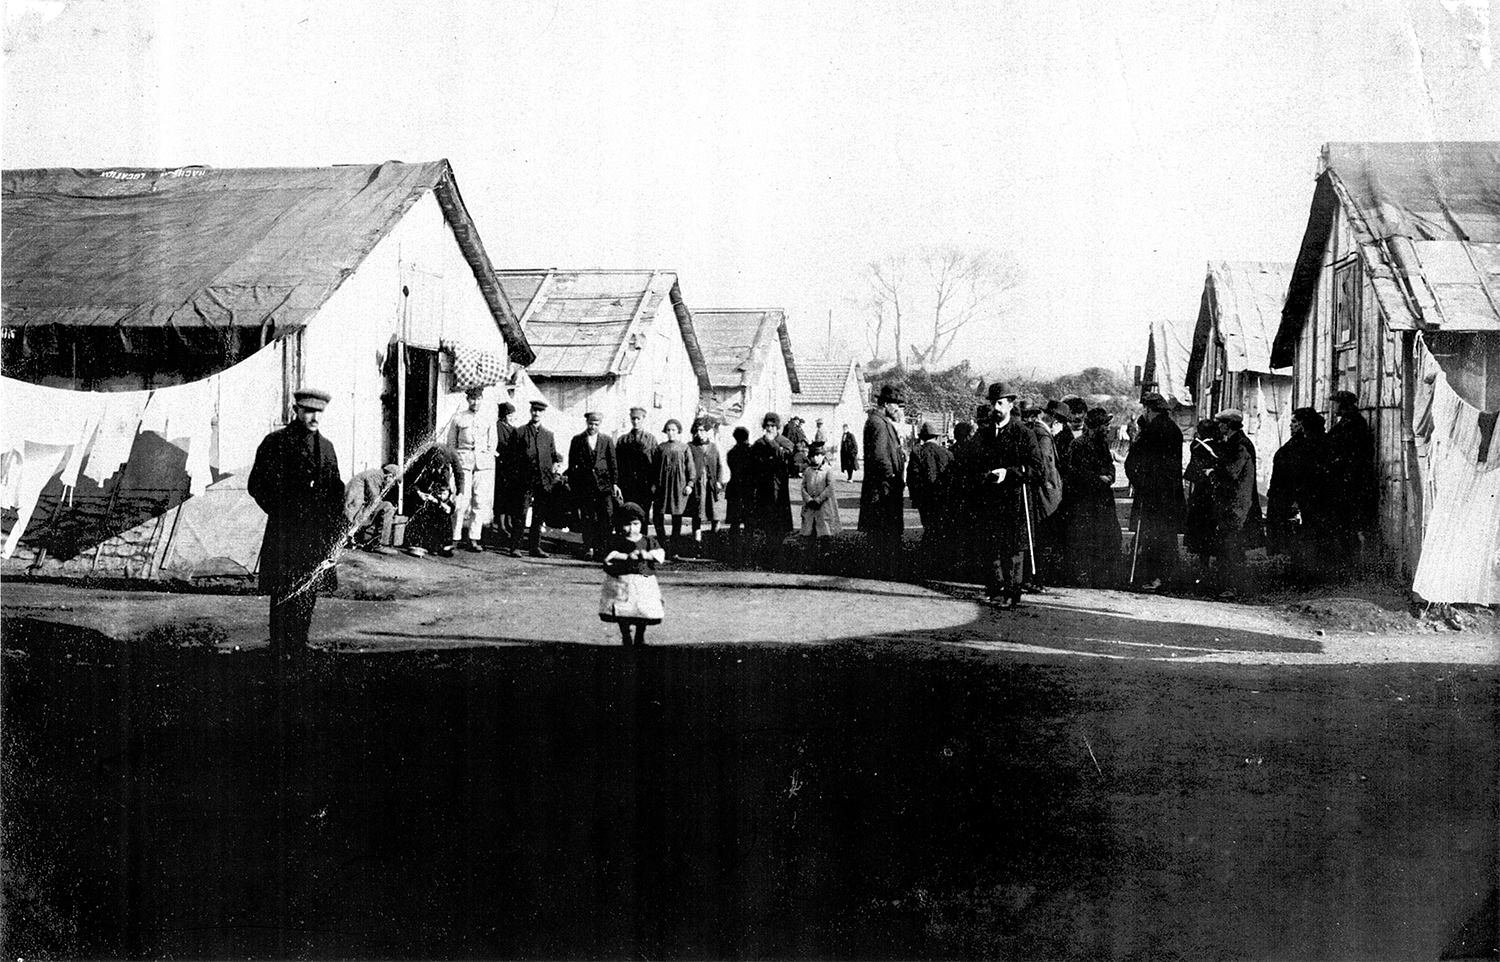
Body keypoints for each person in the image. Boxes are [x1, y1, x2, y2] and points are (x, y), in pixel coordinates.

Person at [247, 387, 345, 661]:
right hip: (286, 531)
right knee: (284, 588)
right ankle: (279, 647)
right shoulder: (276, 442)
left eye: (319, 412)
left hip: (316, 533)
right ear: (296, 410)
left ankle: (299, 643)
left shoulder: (326, 447)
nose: (315, 417)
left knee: (308, 589)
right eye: (309, 411)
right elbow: (257, 485)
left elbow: (335, 489)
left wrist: (335, 525)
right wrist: (282, 512)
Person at [959, 383, 1043, 606]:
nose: (995, 408)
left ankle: (1012, 594)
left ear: (1010, 405)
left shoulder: (1024, 434)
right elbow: (970, 465)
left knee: (1013, 550)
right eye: (992, 403)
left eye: (1000, 403)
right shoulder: (984, 435)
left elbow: (1036, 469)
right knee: (992, 547)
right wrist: (982, 476)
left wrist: (1008, 473)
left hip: (1015, 501)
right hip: (990, 501)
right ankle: (995, 590)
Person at [1123, 392, 1185, 591]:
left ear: (1149, 409)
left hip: (1152, 493)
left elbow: (1135, 459)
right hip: (1169, 493)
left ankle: (1154, 578)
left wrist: (1138, 482)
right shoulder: (1173, 429)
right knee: (1166, 537)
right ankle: (1167, 579)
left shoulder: (1152, 432)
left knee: (1152, 536)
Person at [1266, 406, 1332, 580]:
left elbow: (1304, 475)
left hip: (1303, 498)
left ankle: (1305, 574)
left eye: (1294, 422)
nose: (1290, 425)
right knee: (1294, 534)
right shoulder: (1298, 441)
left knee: (1303, 535)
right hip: (1288, 495)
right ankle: (1297, 570)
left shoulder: (1309, 444)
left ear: (1303, 424)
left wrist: (1297, 499)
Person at [1058, 399, 1118, 587]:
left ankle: (1101, 575)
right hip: (1085, 501)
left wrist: (1110, 474)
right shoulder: (1078, 445)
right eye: (1105, 425)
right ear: (1096, 426)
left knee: (1107, 536)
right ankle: (1081, 576)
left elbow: (1109, 464)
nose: (1108, 429)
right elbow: (1074, 473)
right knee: (1085, 539)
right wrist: (1097, 479)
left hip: (1103, 500)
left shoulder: (1102, 444)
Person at [598, 502, 666, 647]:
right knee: (624, 609)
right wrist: (626, 557)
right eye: (627, 525)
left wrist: (646, 555)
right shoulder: (616, 541)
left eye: (635, 524)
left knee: (642, 609)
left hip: (643, 581)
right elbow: (609, 556)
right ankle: (625, 634)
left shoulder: (648, 541)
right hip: (623, 581)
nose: (631, 529)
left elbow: (660, 554)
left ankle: (640, 636)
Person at [1325, 389, 1377, 572]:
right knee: (1345, 524)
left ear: (1343, 404)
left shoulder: (1353, 423)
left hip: (1351, 482)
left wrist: (1337, 464)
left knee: (1349, 524)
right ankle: (1346, 564)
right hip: (1345, 480)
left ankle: (1351, 566)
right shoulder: (1348, 421)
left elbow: (1351, 453)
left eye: (1336, 403)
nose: (1333, 407)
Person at [1209, 408, 1258, 599]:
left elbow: (1231, 473)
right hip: (1233, 503)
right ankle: (1230, 586)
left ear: (1228, 425)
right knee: (1229, 546)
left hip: (1237, 505)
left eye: (1221, 423)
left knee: (1232, 547)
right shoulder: (1236, 442)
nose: (1219, 426)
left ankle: (1233, 587)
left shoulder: (1240, 445)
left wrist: (1212, 473)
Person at [1016, 399, 1063, 591]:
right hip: (1045, 494)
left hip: (1043, 492)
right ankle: (1035, 580)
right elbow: (1044, 466)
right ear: (1054, 419)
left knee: (1037, 538)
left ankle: (1032, 579)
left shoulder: (1039, 431)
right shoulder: (1043, 435)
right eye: (1061, 421)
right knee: (1041, 538)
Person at [859, 385, 908, 562]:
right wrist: (893, 477)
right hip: (883, 487)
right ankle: (883, 565)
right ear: (886, 404)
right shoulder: (878, 423)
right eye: (896, 405)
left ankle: (883, 562)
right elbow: (880, 456)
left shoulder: (879, 421)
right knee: (883, 529)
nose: (898, 409)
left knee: (882, 529)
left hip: (883, 486)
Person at [509, 399, 563, 558]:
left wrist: (556, 467)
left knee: (539, 515)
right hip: (524, 480)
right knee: (520, 514)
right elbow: (512, 458)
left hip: (543, 480)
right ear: (530, 411)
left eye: (539, 411)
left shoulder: (548, 435)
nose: (536, 413)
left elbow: (553, 456)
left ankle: (535, 547)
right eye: (534, 410)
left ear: (543, 413)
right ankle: (515, 546)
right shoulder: (520, 432)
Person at [447, 387, 497, 552]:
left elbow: (492, 443)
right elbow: (451, 445)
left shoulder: (488, 418)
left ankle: (473, 538)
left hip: (482, 465)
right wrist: (455, 464)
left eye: (478, 398)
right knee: (461, 500)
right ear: (468, 400)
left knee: (479, 501)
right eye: (472, 399)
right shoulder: (459, 418)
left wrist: (486, 457)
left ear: (482, 399)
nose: (475, 402)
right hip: (463, 464)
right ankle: (455, 536)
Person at [566, 411, 620, 561]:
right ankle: (588, 548)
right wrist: (574, 485)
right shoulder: (577, 440)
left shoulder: (607, 440)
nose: (593, 427)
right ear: (586, 423)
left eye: (596, 424)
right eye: (591, 424)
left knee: (606, 517)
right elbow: (572, 465)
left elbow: (613, 463)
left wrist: (614, 483)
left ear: (600, 425)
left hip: (604, 486)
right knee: (588, 517)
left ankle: (603, 549)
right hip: (585, 486)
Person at [747, 412, 794, 565]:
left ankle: (778, 551)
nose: (770, 429)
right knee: (765, 520)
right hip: (763, 488)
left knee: (779, 520)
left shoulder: (784, 442)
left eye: (773, 426)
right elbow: (752, 463)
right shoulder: (759, 443)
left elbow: (787, 457)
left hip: (779, 487)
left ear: (778, 427)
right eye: (767, 426)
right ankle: (767, 551)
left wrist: (773, 443)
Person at [650, 418, 696, 560]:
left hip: (678, 486)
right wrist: (653, 484)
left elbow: (691, 468)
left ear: (678, 432)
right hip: (662, 486)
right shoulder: (660, 447)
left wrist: (689, 484)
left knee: (677, 517)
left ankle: (675, 549)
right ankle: (663, 545)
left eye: (674, 430)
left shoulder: (684, 447)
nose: (671, 433)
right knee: (659, 516)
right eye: (668, 430)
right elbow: (654, 468)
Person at [403, 443, 457, 556]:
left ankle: (441, 544)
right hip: (420, 495)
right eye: (435, 467)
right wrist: (419, 493)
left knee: (445, 510)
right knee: (424, 511)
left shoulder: (444, 465)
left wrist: (444, 495)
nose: (438, 470)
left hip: (435, 497)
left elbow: (445, 486)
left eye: (440, 468)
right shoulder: (421, 465)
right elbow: (413, 482)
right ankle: (419, 543)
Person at [1182, 417, 1222, 569]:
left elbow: (1191, 474)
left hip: (1201, 493)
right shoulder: (1219, 446)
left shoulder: (1197, 447)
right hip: (1215, 492)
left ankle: (1203, 562)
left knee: (1200, 527)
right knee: (1213, 527)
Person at [906, 420, 953, 538]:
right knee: (940, 525)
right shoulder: (947, 453)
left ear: (922, 437)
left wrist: (914, 496)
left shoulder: (917, 452)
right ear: (937, 437)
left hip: (924, 498)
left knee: (927, 525)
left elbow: (912, 477)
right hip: (942, 497)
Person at [799, 440, 841, 568]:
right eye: (813, 456)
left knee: (824, 533)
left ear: (823, 456)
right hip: (810, 507)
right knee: (810, 532)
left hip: (823, 507)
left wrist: (818, 500)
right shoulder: (808, 471)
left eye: (818, 455)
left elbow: (830, 487)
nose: (816, 458)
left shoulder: (828, 470)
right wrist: (809, 500)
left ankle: (826, 559)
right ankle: (810, 559)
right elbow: (803, 487)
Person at [686, 416, 724, 555]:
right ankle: (698, 544)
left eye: (703, 430)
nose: (700, 433)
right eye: (697, 431)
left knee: (715, 515)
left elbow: (719, 465)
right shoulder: (690, 447)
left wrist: (719, 481)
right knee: (698, 515)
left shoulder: (713, 447)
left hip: (712, 486)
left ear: (708, 432)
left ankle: (714, 543)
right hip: (698, 486)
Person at [344, 463, 399, 553]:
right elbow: (374, 500)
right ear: (389, 476)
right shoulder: (375, 477)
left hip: (353, 508)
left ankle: (362, 539)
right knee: (387, 507)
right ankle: (380, 544)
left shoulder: (375, 475)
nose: (392, 484)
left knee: (382, 506)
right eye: (394, 480)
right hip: (354, 510)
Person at [616, 406, 659, 513]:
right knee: (628, 511)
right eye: (633, 418)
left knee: (643, 512)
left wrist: (654, 483)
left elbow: (656, 463)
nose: (635, 421)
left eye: (638, 419)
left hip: (645, 483)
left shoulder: (651, 439)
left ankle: (642, 530)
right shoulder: (623, 440)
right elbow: (617, 463)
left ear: (644, 419)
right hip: (628, 483)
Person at [489, 401, 518, 546]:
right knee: (500, 497)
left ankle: (508, 524)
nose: (512, 417)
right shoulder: (497, 427)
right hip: (501, 467)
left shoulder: (513, 428)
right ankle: (500, 527)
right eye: (510, 414)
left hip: (511, 468)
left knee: (510, 497)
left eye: (513, 414)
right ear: (504, 415)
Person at [724, 425, 753, 534]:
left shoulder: (731, 452)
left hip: (734, 487)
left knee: (734, 521)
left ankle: (733, 545)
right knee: (748, 521)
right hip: (748, 487)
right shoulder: (751, 451)